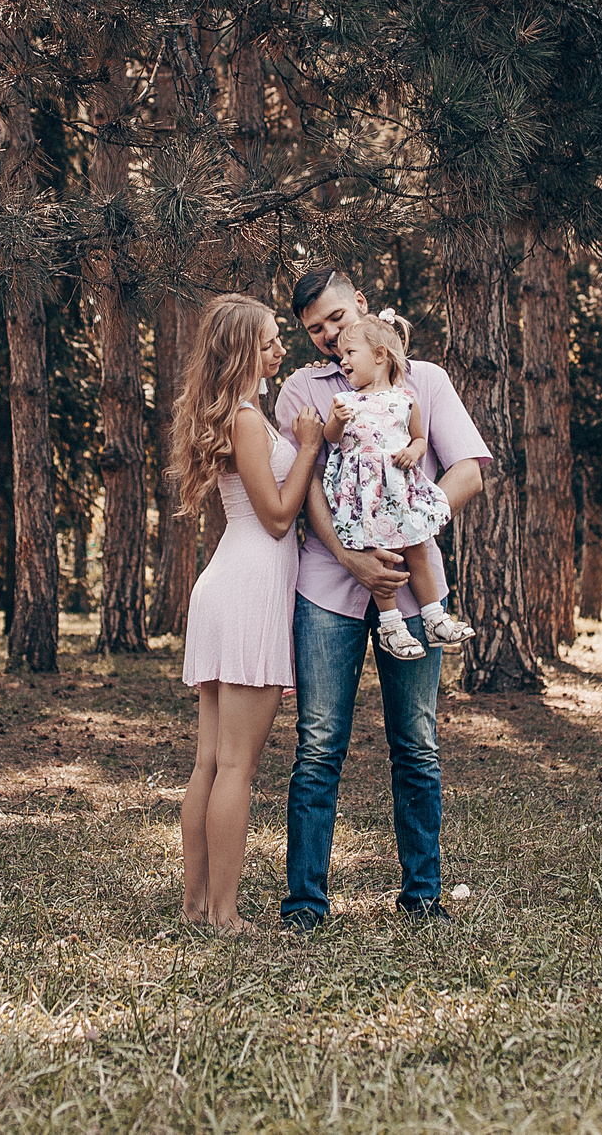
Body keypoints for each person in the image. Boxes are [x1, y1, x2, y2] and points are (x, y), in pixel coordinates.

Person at [275, 269, 492, 929]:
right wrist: (351, 556)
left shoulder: (421, 377)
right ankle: (306, 904)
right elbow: (302, 483)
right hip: (328, 584)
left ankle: (422, 893)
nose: (331, 334)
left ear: (361, 304)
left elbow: (468, 469)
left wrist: (411, 526)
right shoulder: (301, 391)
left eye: (338, 318)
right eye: (316, 328)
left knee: (417, 741)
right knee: (319, 744)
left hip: (411, 571)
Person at [172, 292, 330, 932]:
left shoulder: (245, 418)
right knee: (233, 765)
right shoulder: (243, 419)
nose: (279, 347)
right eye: (269, 340)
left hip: (229, 584)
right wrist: (311, 444)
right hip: (249, 586)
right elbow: (277, 516)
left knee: (212, 760)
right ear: (242, 350)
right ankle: (224, 914)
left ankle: (198, 906)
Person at [320, 315, 471, 659]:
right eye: (341, 355)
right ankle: (391, 625)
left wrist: (413, 452)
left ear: (379, 354)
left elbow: (419, 438)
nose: (342, 361)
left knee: (417, 550)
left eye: (350, 353)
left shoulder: (405, 399)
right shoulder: (346, 403)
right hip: (364, 499)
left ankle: (434, 617)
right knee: (380, 561)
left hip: (399, 495)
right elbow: (331, 440)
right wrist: (335, 422)